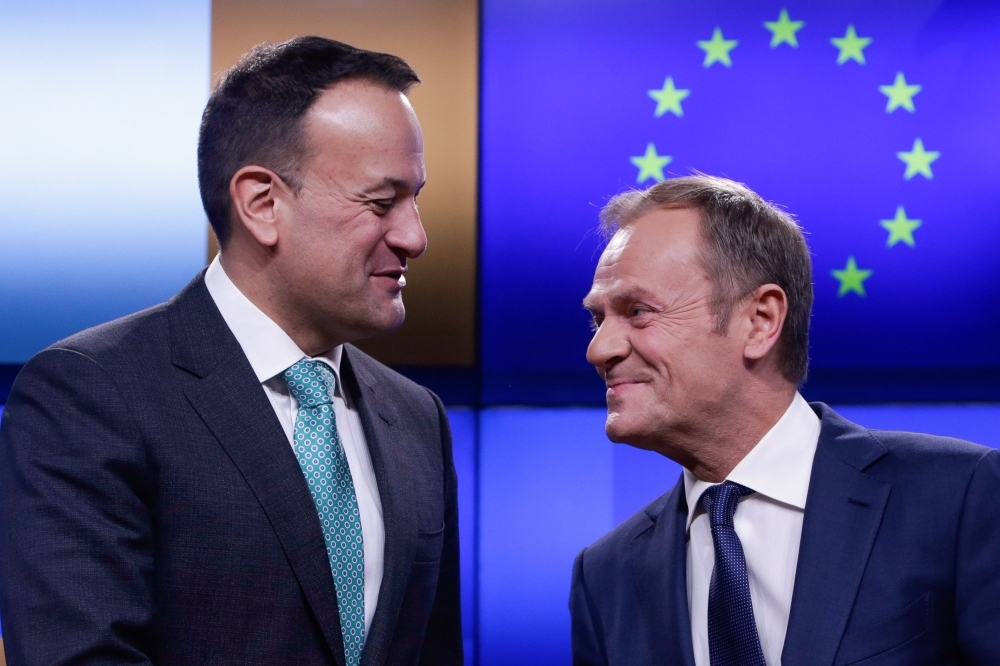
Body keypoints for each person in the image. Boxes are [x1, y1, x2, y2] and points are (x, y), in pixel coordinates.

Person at [0, 36, 461, 665]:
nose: (415, 235)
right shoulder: (91, 393)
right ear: (262, 204)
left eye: (416, 199)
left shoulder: (417, 418)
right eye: (381, 203)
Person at [572, 175, 1000, 665]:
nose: (599, 349)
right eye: (597, 319)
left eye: (638, 311)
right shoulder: (606, 575)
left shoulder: (959, 500)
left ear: (759, 321)